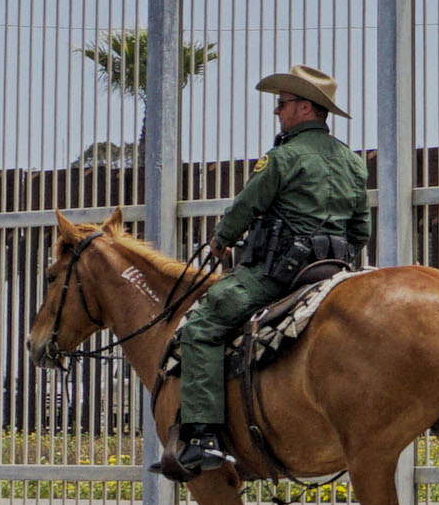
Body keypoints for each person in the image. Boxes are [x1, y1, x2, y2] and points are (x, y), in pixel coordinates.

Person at [156, 65, 374, 484]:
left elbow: (245, 207)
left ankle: (202, 438)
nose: (277, 112)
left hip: (280, 275)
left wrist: (221, 239)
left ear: (305, 108)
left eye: (283, 104)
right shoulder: (352, 161)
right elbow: (360, 229)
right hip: (334, 270)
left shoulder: (282, 158)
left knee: (203, 324)